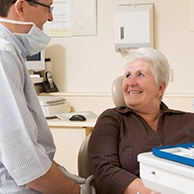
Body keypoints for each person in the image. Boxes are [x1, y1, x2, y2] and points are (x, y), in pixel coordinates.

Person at [0, 0, 94, 193]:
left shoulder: (11, 51)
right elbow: (25, 161)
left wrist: (61, 173)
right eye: (48, 7)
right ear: (21, 7)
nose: (50, 17)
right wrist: (76, 191)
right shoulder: (4, 54)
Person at [88, 47, 194, 194]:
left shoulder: (188, 121)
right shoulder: (111, 119)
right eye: (127, 75)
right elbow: (104, 170)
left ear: (160, 88)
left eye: (140, 75)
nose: (131, 82)